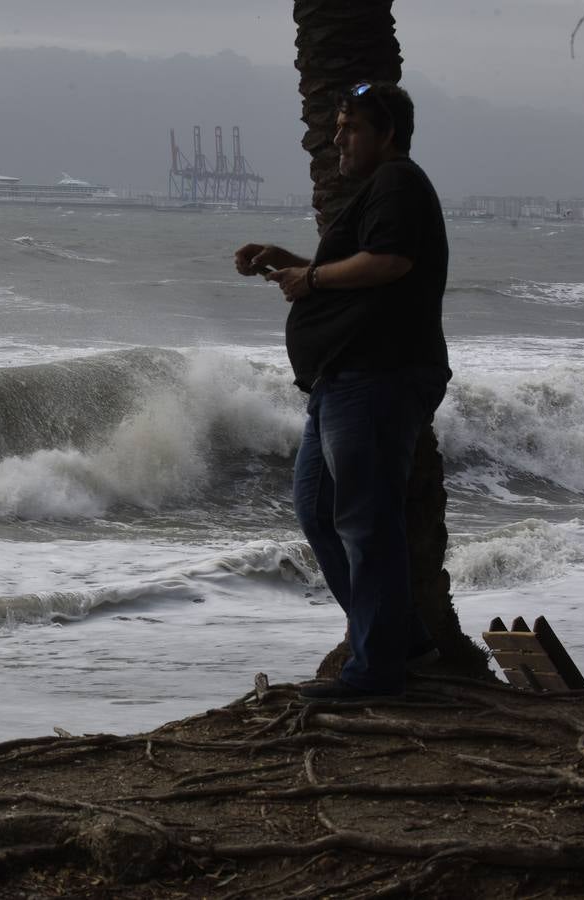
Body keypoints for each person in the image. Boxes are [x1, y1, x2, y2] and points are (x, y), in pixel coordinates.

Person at [234, 81, 450, 701]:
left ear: (387, 134)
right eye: (336, 128)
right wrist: (292, 261)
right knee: (320, 510)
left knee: (361, 520)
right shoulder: (378, 193)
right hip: (343, 380)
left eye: (350, 127)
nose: (338, 140)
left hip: (379, 377)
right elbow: (366, 270)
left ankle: (375, 673)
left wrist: (313, 276)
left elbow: (390, 263)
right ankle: (398, 637)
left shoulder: (398, 181)